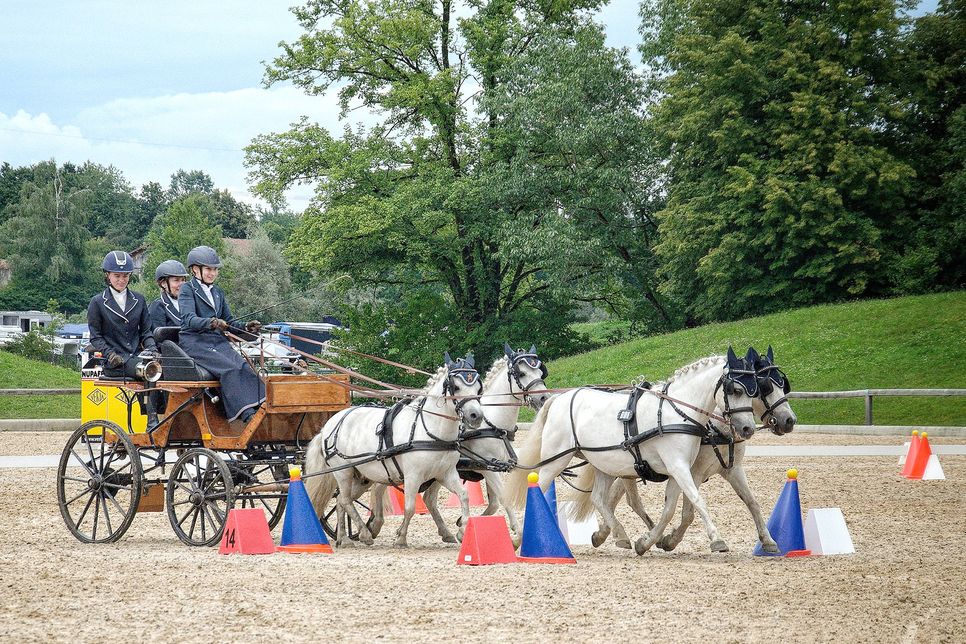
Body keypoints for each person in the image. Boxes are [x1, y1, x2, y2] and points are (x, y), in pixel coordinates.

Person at [178, 245, 264, 424]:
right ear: (195, 269)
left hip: (217, 342)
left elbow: (229, 322)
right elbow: (188, 319)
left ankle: (260, 406)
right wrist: (211, 322)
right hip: (195, 342)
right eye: (209, 269)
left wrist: (246, 328)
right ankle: (245, 413)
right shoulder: (187, 289)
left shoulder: (217, 292)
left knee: (244, 366)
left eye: (215, 269)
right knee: (229, 369)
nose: (212, 273)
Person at [87, 250, 161, 424]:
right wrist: (110, 353)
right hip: (115, 361)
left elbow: (146, 332)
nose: (121, 280)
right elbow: (95, 337)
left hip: (136, 357)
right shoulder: (97, 302)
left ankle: (166, 415)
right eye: (117, 276)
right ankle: (152, 419)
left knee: (164, 368)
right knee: (150, 369)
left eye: (125, 276)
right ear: (108, 276)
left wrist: (152, 348)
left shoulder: (139, 300)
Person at [148, 259, 189, 328]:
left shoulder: (191, 303)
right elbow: (158, 336)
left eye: (183, 280)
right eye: (176, 280)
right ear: (163, 283)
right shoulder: (158, 307)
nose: (181, 284)